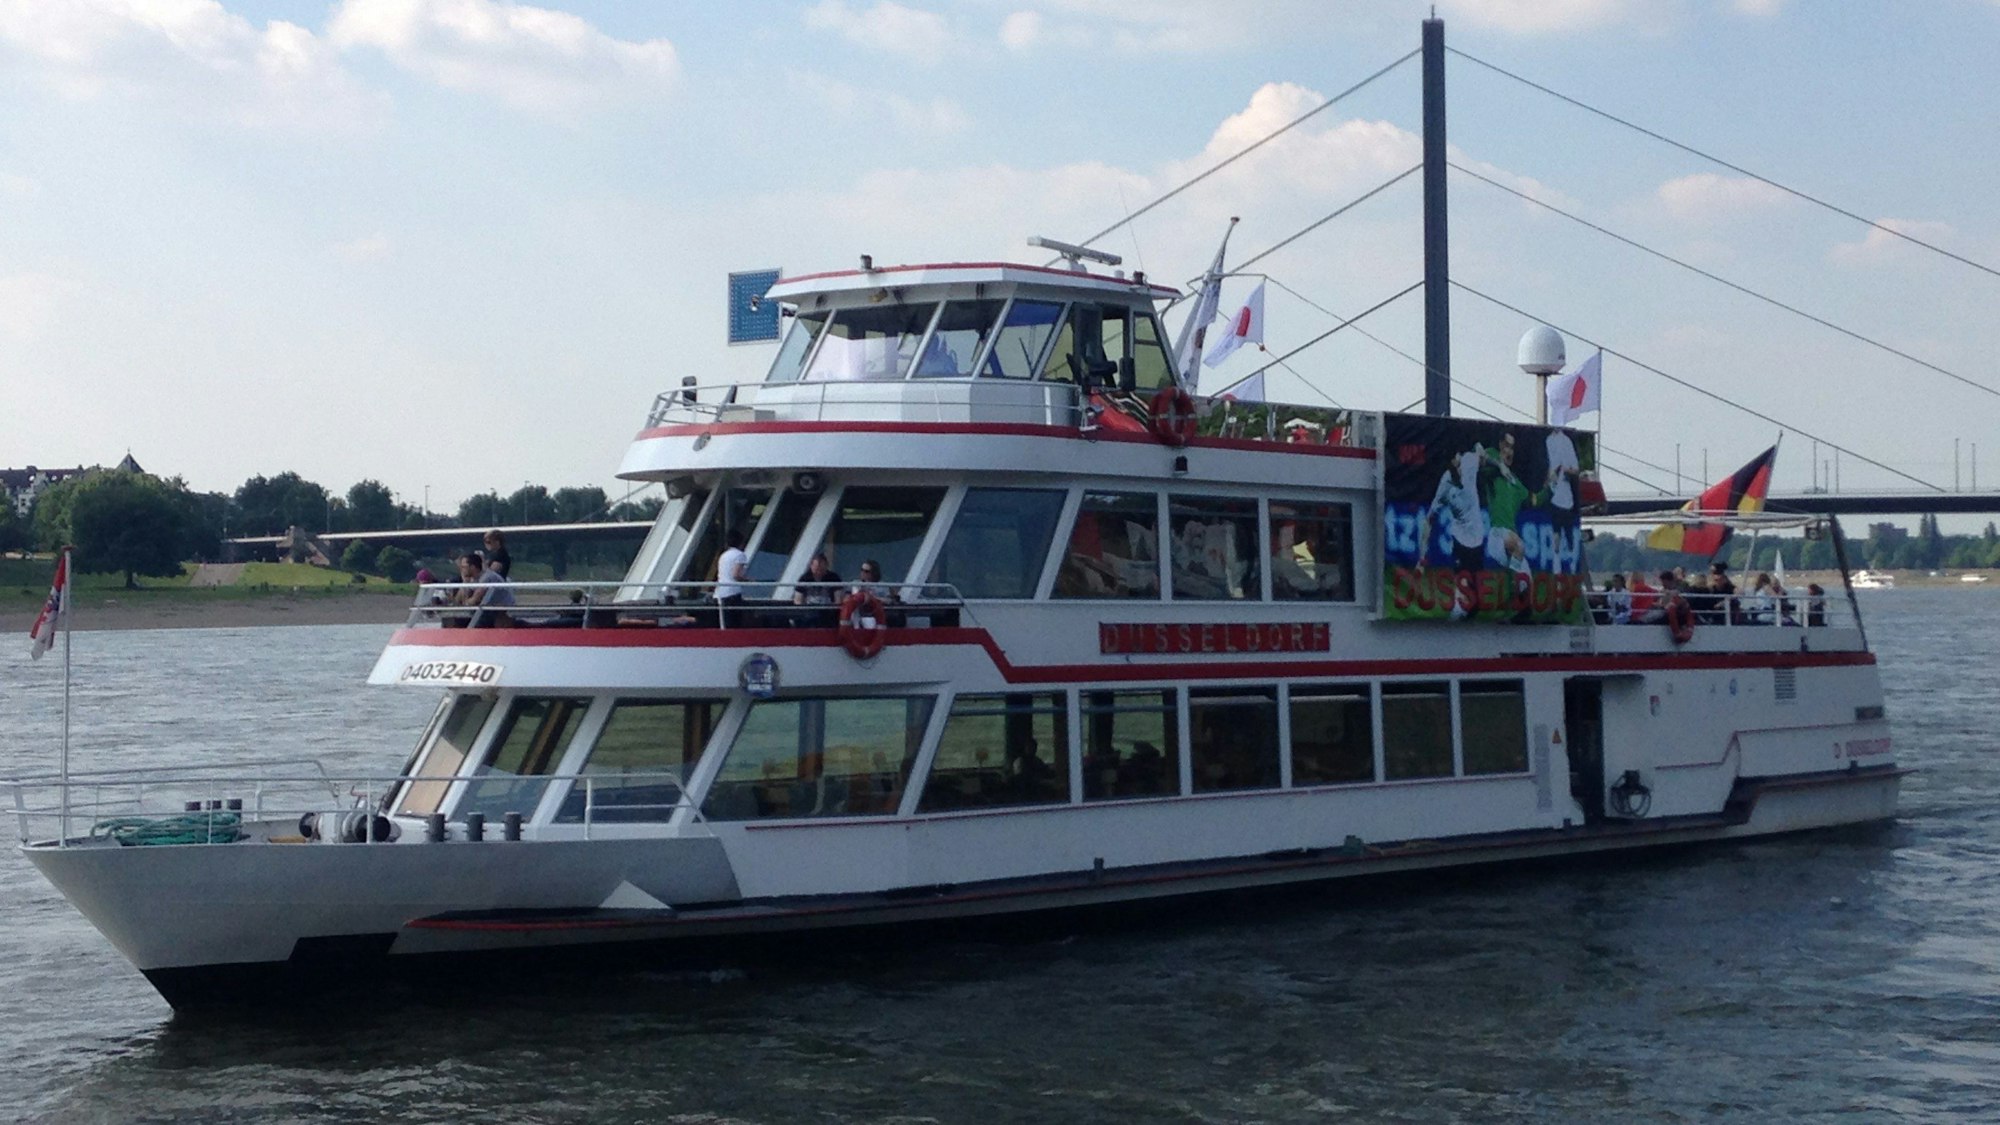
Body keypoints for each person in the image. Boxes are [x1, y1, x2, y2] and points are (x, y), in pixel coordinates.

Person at [471, 551, 515, 628]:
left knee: (480, 619)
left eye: (464, 567)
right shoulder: (477, 578)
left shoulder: (487, 577)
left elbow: (474, 600)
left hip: (500, 609)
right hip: (493, 608)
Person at [715, 529, 749, 625]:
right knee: (735, 621)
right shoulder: (740, 555)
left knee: (725, 621)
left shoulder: (724, 555)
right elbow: (736, 575)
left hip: (721, 592)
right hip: (733, 592)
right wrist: (748, 580)